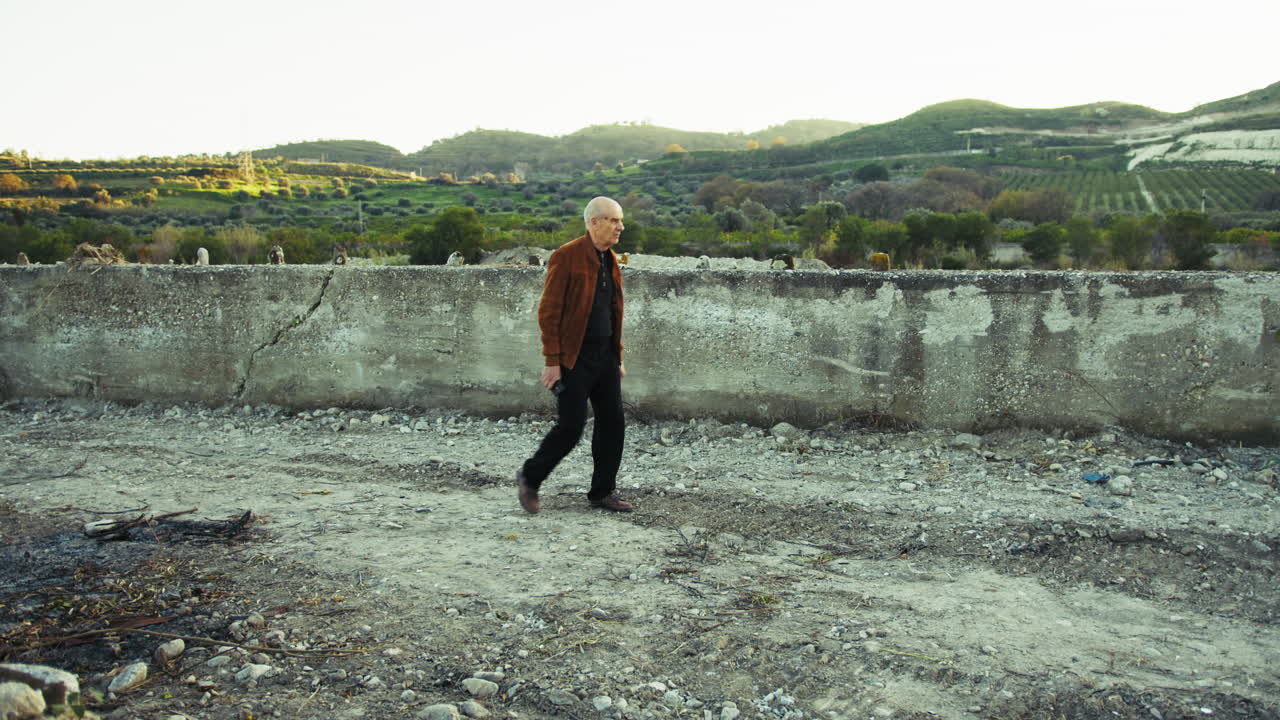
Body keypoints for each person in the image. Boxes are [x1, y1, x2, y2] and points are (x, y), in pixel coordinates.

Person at [516, 196, 633, 514]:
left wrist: (617, 356)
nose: (620, 226)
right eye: (614, 220)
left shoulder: (610, 258)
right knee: (571, 426)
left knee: (613, 423)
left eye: (620, 220)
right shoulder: (566, 256)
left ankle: (601, 492)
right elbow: (549, 312)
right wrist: (552, 361)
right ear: (594, 222)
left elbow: (613, 310)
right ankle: (530, 476)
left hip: (605, 356)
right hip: (573, 357)